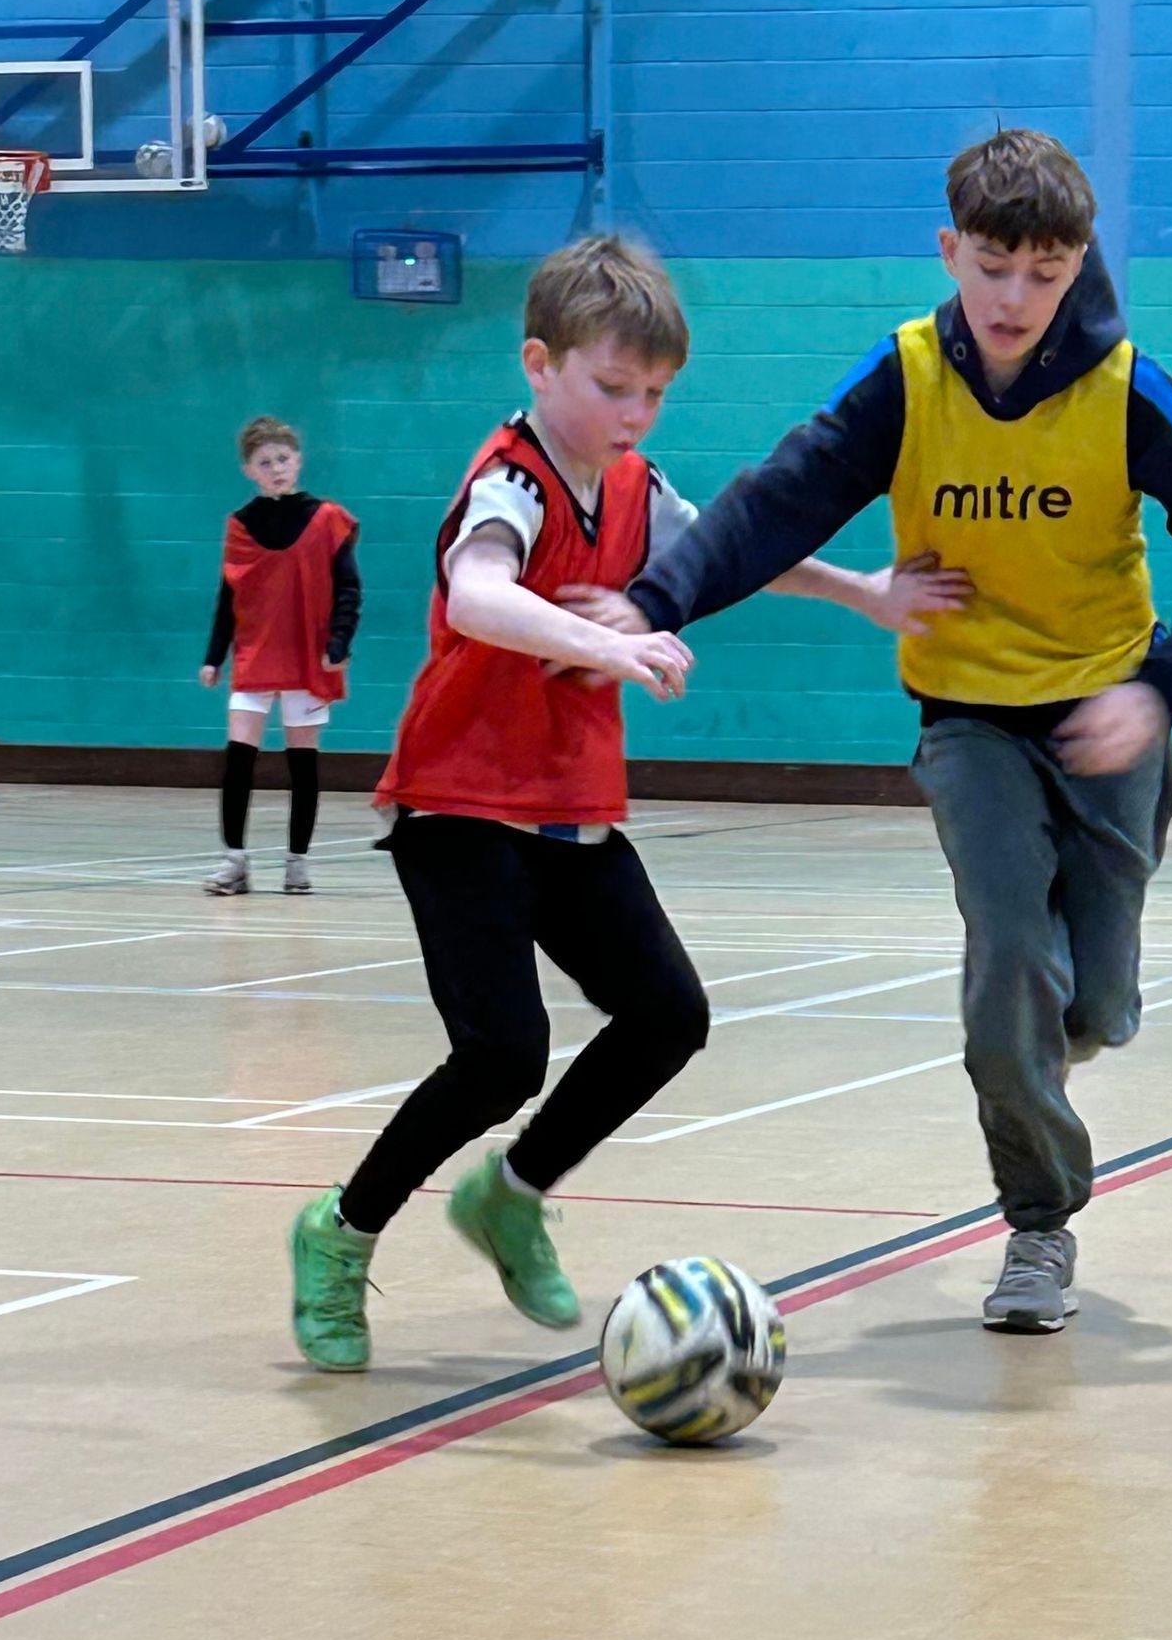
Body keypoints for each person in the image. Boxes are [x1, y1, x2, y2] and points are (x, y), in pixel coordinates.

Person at [571, 130, 1172, 1337]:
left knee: (1092, 1007)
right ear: (949, 250)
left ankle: (1046, 1048)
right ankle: (1039, 1222)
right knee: (1008, 955)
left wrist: (1160, 687)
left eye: (1042, 274)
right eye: (990, 265)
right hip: (969, 718)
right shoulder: (903, 378)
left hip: (1107, 717)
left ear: (1079, 265)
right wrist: (655, 599)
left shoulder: (1129, 387)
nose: (1012, 297)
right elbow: (777, 498)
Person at [287, 235, 968, 1371]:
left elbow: (728, 550)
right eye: (612, 387)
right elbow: (480, 592)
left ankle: (510, 1194)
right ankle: (341, 1232)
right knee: (502, 1054)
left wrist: (862, 592)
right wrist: (615, 636)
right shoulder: (509, 479)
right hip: (459, 801)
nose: (634, 412)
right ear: (540, 363)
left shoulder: (636, 488)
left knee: (668, 1015)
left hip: (567, 803)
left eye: (654, 392)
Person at [199, 417, 359, 896]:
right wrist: (214, 656)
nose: (276, 468)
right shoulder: (240, 526)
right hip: (254, 657)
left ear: (298, 461)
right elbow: (228, 597)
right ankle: (235, 860)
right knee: (238, 761)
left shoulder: (327, 518)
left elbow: (349, 588)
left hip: (307, 658)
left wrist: (339, 644)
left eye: (283, 459)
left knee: (302, 763)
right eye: (265, 462)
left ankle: (297, 861)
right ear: (249, 469)